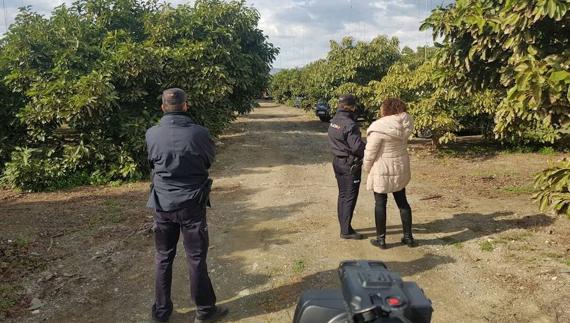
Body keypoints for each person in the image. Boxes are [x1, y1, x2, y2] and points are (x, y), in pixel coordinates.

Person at [146, 88, 228, 323]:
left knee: (163, 257)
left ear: (163, 107)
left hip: (162, 204)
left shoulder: (151, 133)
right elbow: (208, 160)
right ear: (185, 106)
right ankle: (204, 311)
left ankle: (161, 313)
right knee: (195, 258)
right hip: (192, 204)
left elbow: (151, 163)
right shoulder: (199, 133)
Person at [362, 98, 416, 249]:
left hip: (382, 168)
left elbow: (370, 152)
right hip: (400, 166)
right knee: (403, 202)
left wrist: (366, 168)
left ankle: (381, 240)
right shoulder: (406, 123)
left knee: (380, 203)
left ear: (385, 109)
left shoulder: (379, 127)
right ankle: (408, 237)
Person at [328, 94, 365, 240]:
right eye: (354, 105)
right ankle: (346, 231)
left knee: (342, 195)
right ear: (350, 106)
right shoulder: (350, 124)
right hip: (349, 165)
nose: (356, 108)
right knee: (349, 196)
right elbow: (357, 147)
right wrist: (368, 148)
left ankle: (344, 226)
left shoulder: (334, 120)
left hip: (337, 161)